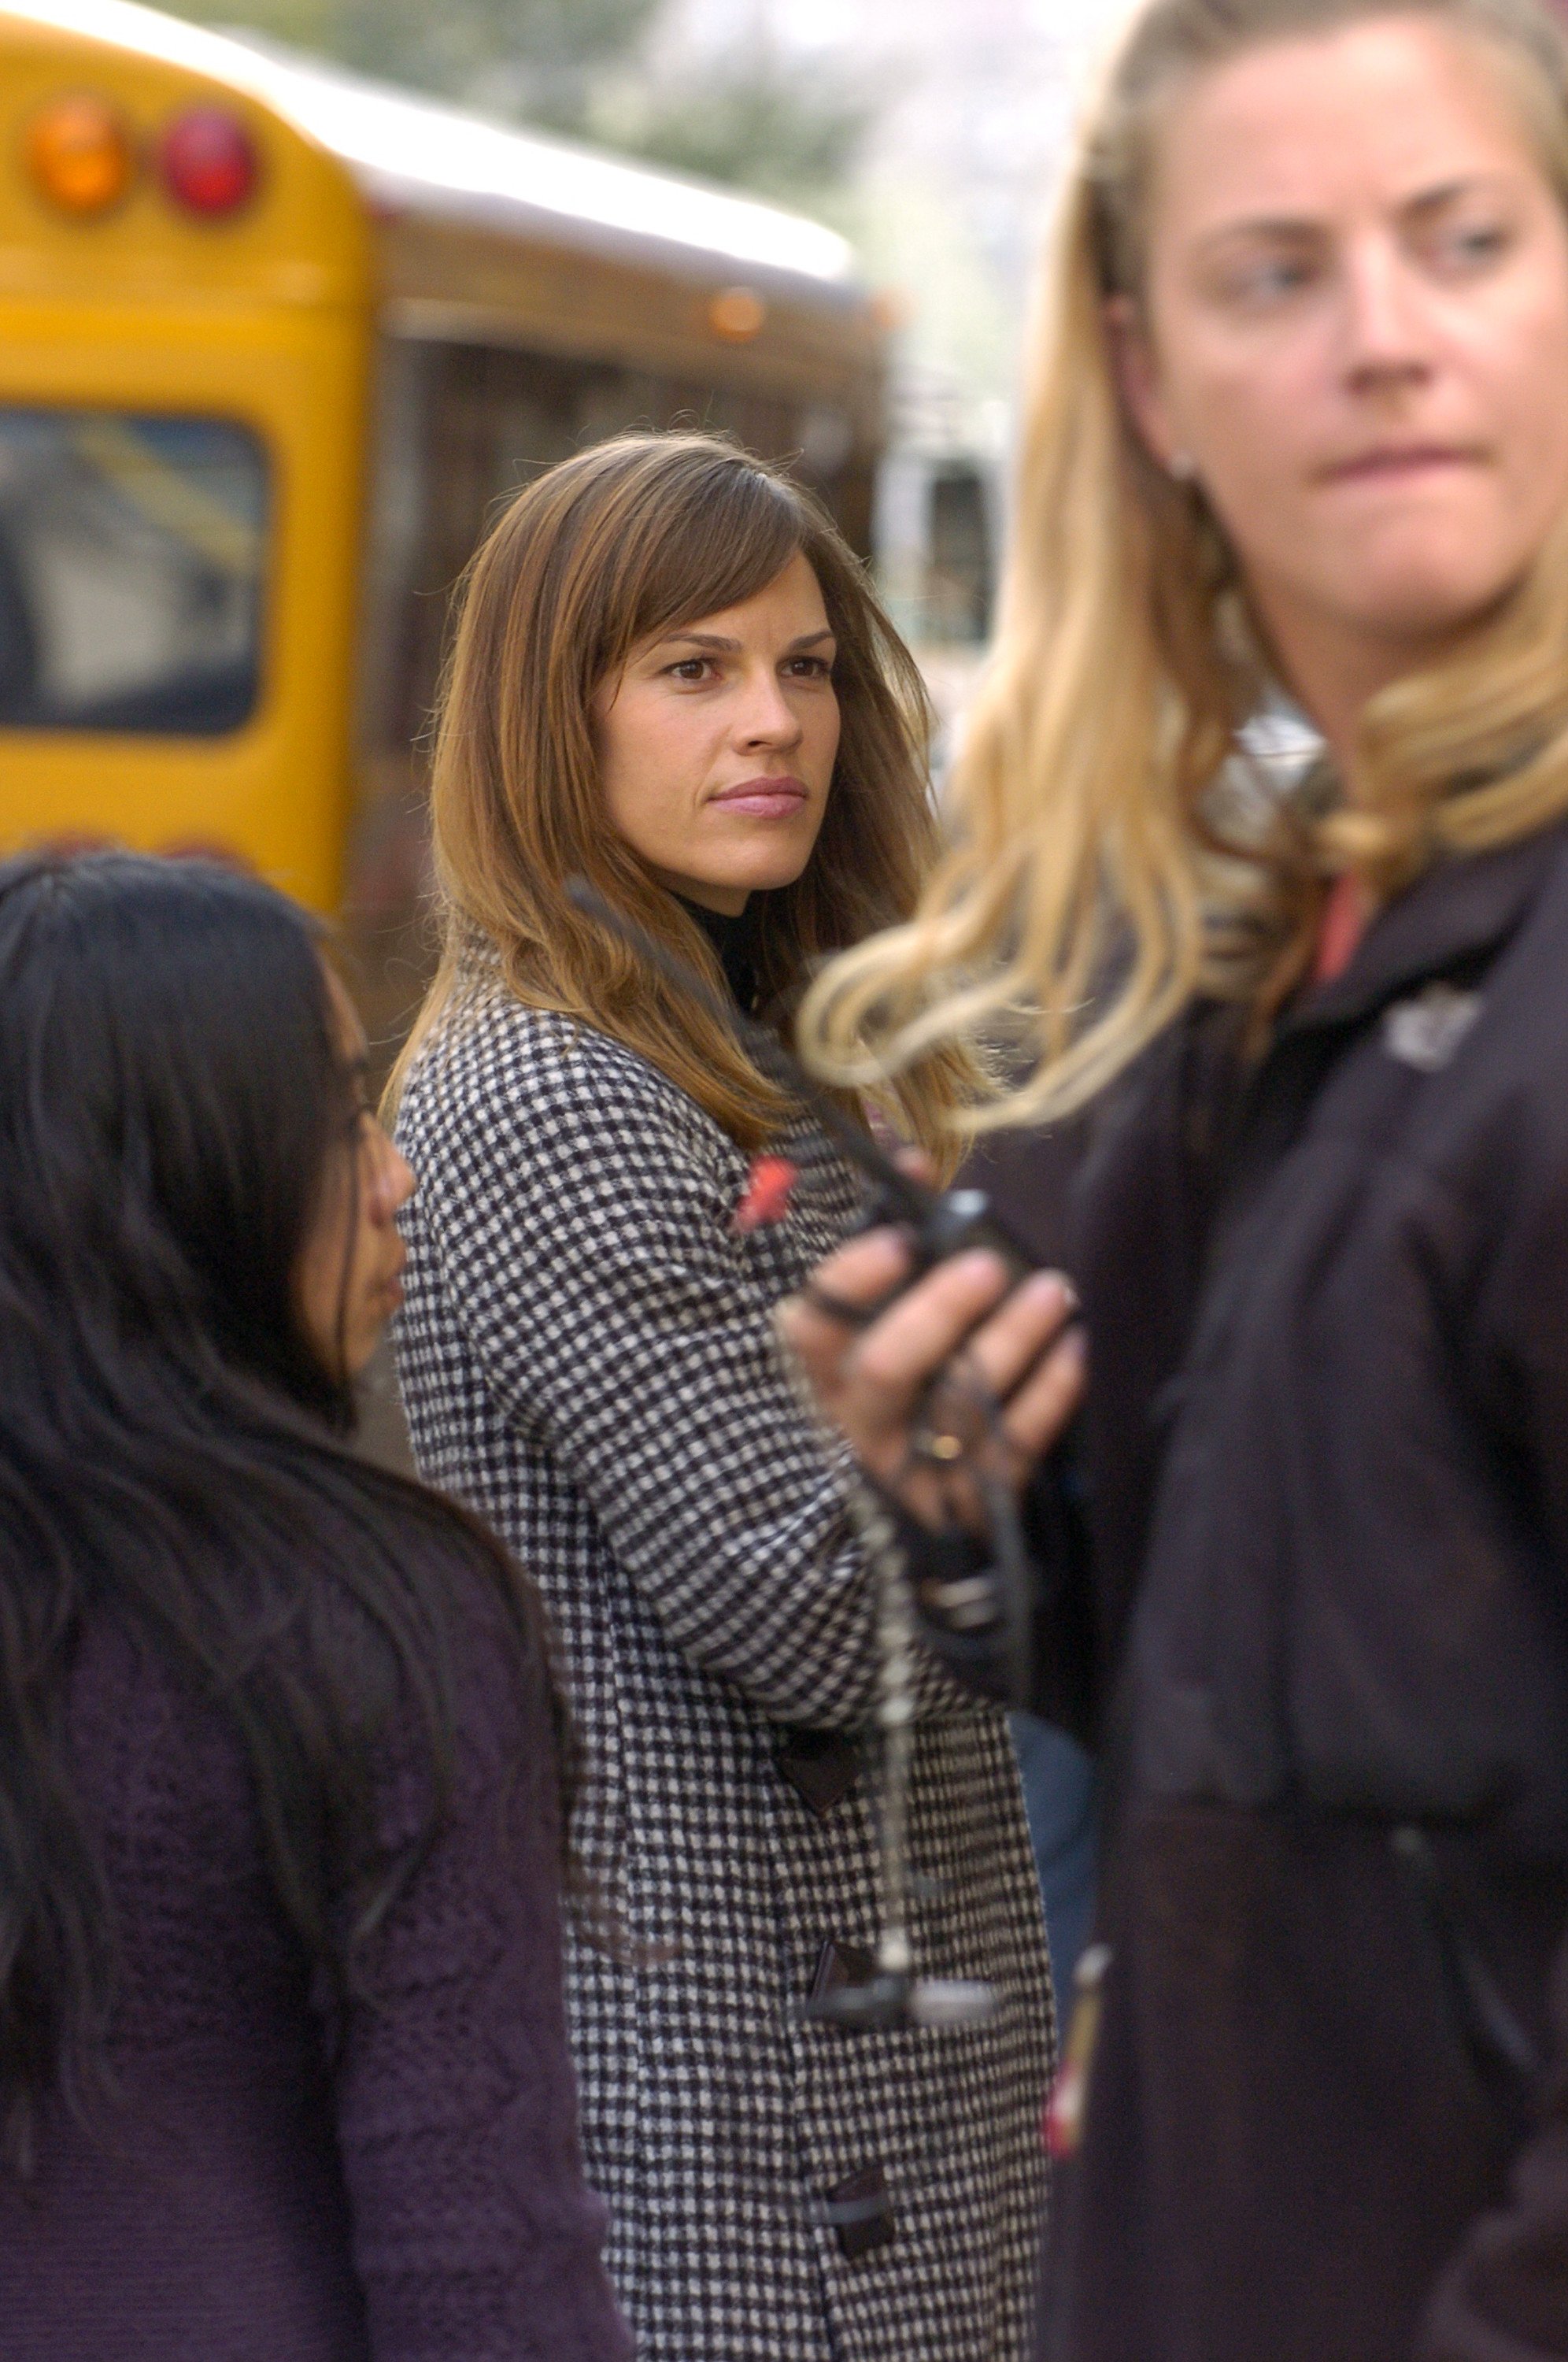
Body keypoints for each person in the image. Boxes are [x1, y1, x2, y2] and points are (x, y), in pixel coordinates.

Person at [784, 0, 1568, 2354]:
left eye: (1465, 241)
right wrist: (986, 1518)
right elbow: (1339, 1781)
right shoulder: (1282, 974)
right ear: (1147, 381)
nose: (1389, 341)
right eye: (1276, 272)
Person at [390, 432, 1052, 2362]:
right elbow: (814, 1615)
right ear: (549, 714)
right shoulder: (556, 1091)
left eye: (807, 667)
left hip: (858, 2099)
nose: (772, 723)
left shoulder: (747, 1035)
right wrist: (1013, 1390)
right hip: (743, 2140)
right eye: (691, 671)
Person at [0, 851, 630, 2362]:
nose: (395, 1170)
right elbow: (481, 2271)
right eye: (342, 1116)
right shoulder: (375, 1618)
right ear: (187, 1180)